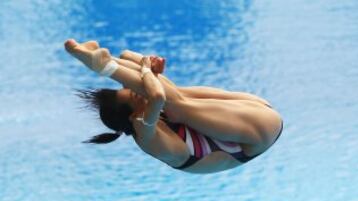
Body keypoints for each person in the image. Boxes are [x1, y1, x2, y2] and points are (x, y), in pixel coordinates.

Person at [64, 39, 283, 174]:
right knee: (174, 104)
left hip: (249, 109)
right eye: (134, 96)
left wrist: (146, 63)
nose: (137, 93)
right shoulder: (146, 132)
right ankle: (103, 66)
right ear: (132, 115)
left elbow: (127, 56)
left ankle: (102, 58)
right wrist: (147, 69)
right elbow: (157, 96)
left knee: (173, 95)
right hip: (260, 132)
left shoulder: (139, 109)